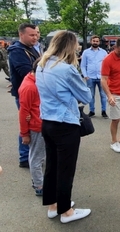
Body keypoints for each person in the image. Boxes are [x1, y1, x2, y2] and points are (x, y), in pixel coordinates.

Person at [36, 30, 92, 223]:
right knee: (66, 169)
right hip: (65, 124)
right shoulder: (66, 69)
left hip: (47, 122)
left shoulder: (41, 65)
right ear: (69, 46)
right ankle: (66, 211)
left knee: (52, 166)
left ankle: (54, 205)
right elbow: (87, 96)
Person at [8, 23, 40, 168]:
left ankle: (31, 154)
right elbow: (26, 71)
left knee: (32, 123)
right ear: (21, 34)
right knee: (26, 123)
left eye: (37, 34)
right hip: (26, 93)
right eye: (32, 35)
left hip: (32, 91)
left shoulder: (31, 48)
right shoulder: (17, 51)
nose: (35, 37)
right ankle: (24, 157)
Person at [18, 59, 45, 196]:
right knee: (36, 158)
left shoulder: (33, 82)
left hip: (39, 124)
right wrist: (25, 134)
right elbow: (23, 112)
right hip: (36, 127)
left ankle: (39, 182)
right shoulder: (29, 87)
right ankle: (39, 185)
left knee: (39, 156)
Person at [81, 35, 108, 118]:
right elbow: (83, 65)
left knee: (103, 95)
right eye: (94, 41)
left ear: (99, 42)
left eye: (97, 41)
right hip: (90, 77)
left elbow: (107, 65)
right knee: (91, 95)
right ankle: (92, 111)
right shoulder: (86, 52)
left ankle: (104, 111)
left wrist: (107, 76)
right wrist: (85, 75)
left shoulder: (104, 52)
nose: (95, 42)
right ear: (91, 41)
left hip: (101, 77)